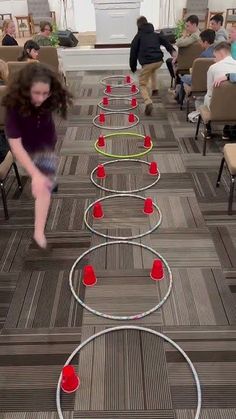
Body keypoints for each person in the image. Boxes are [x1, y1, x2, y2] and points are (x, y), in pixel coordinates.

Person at [3, 63, 72, 250]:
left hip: (46, 145)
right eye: (36, 93)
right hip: (25, 149)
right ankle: (39, 181)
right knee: (40, 180)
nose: (41, 98)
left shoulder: (49, 97)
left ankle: (38, 231)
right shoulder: (14, 107)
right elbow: (15, 146)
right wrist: (35, 174)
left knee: (44, 187)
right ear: (26, 90)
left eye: (45, 93)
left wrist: (40, 177)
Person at [129, 16, 176, 116]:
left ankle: (148, 102)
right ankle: (155, 89)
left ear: (138, 26)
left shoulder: (138, 37)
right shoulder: (155, 34)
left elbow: (133, 52)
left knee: (142, 84)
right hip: (158, 61)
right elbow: (166, 42)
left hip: (147, 62)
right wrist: (172, 51)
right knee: (152, 69)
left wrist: (132, 66)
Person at [203, 42, 236, 139]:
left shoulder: (213, 68)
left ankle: (208, 131)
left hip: (217, 109)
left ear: (221, 54)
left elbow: (210, 91)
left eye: (215, 56)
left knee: (207, 97)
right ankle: (227, 131)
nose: (214, 59)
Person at [176, 29, 216, 105]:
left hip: (200, 81)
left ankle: (179, 99)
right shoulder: (216, 52)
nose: (199, 43)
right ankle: (178, 95)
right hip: (211, 81)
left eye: (201, 41)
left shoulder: (203, 55)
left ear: (206, 42)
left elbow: (196, 73)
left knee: (183, 77)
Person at [166, 15, 200, 89]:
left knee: (169, 61)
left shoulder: (194, 36)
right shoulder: (195, 34)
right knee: (171, 60)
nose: (186, 28)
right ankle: (178, 80)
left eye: (188, 26)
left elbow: (178, 43)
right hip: (189, 59)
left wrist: (184, 36)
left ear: (194, 25)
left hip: (187, 62)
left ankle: (178, 81)